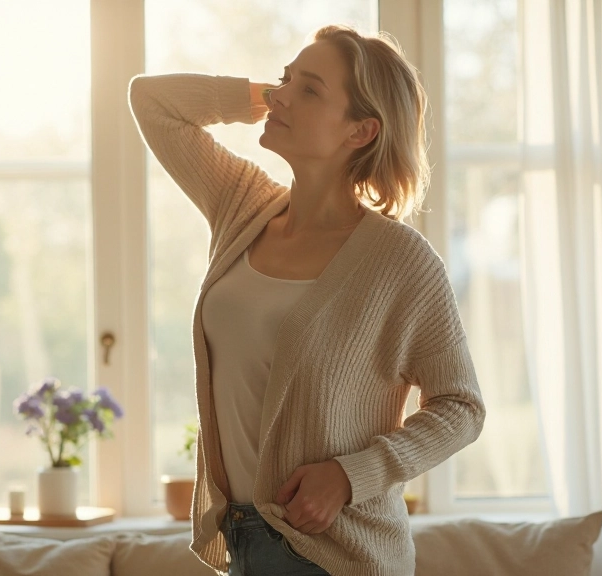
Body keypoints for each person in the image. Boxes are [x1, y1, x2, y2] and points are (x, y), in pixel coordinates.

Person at [128, 25, 486, 576]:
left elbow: (461, 407)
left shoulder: (399, 261)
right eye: (285, 79)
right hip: (243, 539)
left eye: (311, 90)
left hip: (338, 554)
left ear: (361, 131)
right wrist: (265, 96)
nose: (282, 95)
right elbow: (151, 101)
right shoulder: (243, 207)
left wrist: (352, 475)